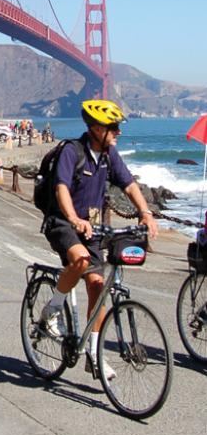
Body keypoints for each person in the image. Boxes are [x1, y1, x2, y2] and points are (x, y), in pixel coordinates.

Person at [39, 99, 158, 381]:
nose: (118, 132)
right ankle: (52, 310)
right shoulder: (72, 151)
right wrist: (74, 218)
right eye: (113, 127)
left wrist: (146, 213)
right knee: (80, 260)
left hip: (92, 229)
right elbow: (61, 188)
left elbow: (129, 184)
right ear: (95, 128)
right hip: (63, 223)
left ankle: (94, 353)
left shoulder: (108, 155)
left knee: (98, 285)